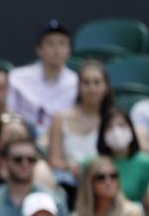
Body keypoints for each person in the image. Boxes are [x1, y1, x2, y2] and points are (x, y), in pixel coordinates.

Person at [47, 60, 114, 196]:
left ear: (105, 87)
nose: (91, 88)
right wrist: (69, 167)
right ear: (78, 86)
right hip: (69, 184)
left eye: (97, 82)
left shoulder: (113, 120)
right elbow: (54, 160)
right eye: (86, 82)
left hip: (102, 183)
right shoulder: (60, 118)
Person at [7, 19, 78, 138]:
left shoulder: (77, 82)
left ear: (69, 51)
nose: (56, 50)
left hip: (63, 140)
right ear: (39, 50)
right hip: (24, 140)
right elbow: (10, 113)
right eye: (50, 44)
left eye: (62, 44)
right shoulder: (17, 78)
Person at [96, 108, 149, 204]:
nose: (116, 131)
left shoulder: (148, 163)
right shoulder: (93, 164)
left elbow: (148, 201)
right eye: (109, 127)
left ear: (131, 129)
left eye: (121, 125)